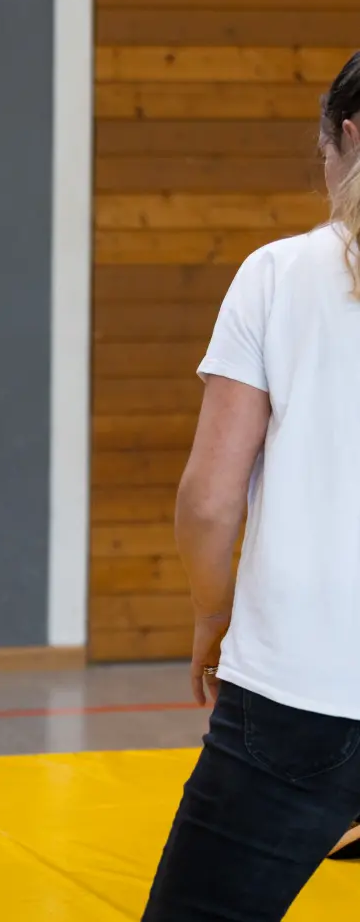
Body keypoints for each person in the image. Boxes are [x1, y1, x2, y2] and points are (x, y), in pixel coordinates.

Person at [141, 50, 360, 918]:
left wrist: (211, 612)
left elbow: (209, 498)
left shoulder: (279, 274)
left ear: (351, 137)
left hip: (301, 688)